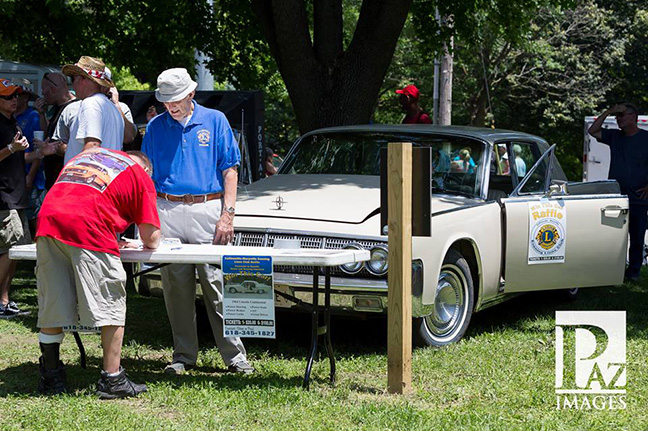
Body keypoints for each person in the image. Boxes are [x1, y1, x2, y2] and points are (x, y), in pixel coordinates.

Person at [142, 67, 253, 375]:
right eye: (165, 100)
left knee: (217, 284)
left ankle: (235, 356)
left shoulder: (216, 120)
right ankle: (183, 356)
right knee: (175, 288)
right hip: (168, 209)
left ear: (191, 94)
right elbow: (147, 176)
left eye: (175, 99)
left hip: (209, 208)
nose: (170, 105)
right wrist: (148, 217)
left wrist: (227, 216)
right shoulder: (154, 127)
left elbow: (230, 170)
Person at [35, 148, 161, 398]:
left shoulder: (88, 156)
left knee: (53, 302)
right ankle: (112, 380)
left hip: (48, 220)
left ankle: (51, 376)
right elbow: (152, 238)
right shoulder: (140, 175)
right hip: (88, 228)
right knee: (111, 303)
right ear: (147, 170)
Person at [589, 103, 648, 282]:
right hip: (617, 196)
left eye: (622, 115)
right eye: (617, 116)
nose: (618, 119)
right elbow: (592, 130)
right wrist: (608, 112)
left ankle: (634, 272)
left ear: (633, 117)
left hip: (638, 197)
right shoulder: (614, 136)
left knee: (637, 237)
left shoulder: (646, 138)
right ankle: (613, 269)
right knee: (613, 236)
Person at [0, 79, 32, 318]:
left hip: (17, 196)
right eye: (9, 96)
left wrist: (39, 153)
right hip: (4, 197)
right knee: (6, 251)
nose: (15, 100)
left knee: (16, 252)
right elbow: (8, 152)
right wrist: (11, 148)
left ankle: (4, 300)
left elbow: (18, 156)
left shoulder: (13, 123)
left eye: (17, 96)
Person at [60, 56, 124, 164]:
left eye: (73, 78)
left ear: (82, 79)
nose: (73, 84)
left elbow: (93, 146)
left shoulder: (91, 103)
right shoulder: (112, 108)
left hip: (90, 179)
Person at [33, 72, 80, 190]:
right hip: (53, 182)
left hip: (66, 182)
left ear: (53, 90)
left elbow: (78, 147)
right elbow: (49, 132)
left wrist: (51, 149)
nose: (42, 93)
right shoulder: (55, 108)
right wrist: (41, 114)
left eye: (44, 89)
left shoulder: (74, 109)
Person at [14, 83, 46, 234]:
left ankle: (42, 248)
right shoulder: (11, 116)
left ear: (26, 98)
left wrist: (31, 176)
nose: (14, 99)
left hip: (30, 176)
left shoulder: (33, 116)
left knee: (35, 216)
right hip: (16, 177)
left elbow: (38, 147)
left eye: (17, 95)